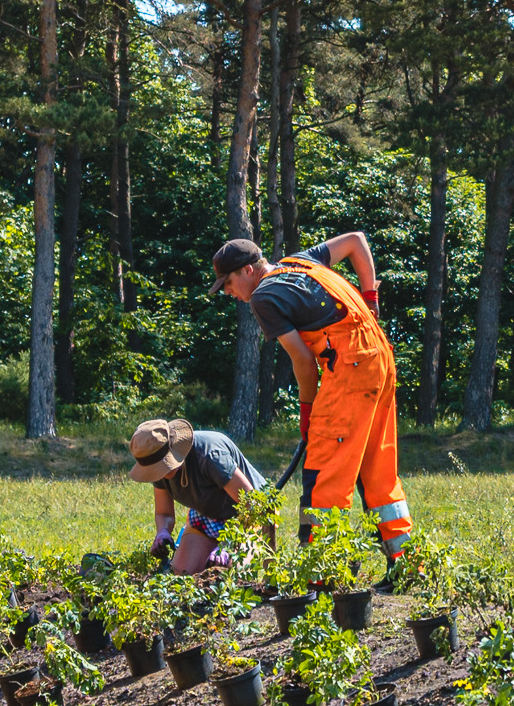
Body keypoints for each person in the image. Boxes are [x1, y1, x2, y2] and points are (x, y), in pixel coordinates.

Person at [213, 230, 411, 569]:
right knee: (376, 470)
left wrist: (308, 411)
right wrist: (370, 298)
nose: (229, 292)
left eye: (228, 283)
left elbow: (304, 362)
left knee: (323, 472)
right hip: (380, 358)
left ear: (248, 270)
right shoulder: (300, 262)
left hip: (350, 370)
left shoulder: (263, 297)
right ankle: (405, 565)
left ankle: (324, 570)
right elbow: (356, 241)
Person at [124, 416, 265, 575]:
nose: (160, 473)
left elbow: (252, 504)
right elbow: (164, 513)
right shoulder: (157, 470)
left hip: (249, 516)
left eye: (162, 466)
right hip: (207, 515)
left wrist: (229, 544)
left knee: (231, 573)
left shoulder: (211, 455)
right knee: (181, 575)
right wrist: (163, 531)